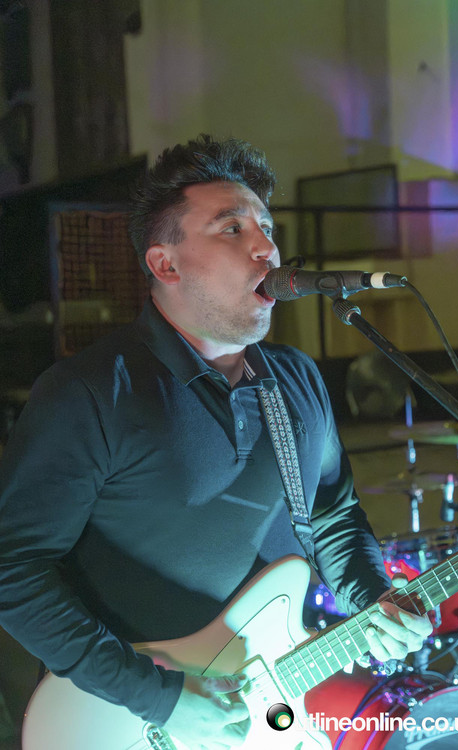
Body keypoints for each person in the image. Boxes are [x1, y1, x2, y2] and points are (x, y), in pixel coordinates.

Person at [0, 134, 431, 749]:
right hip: (129, 721)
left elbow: (332, 515)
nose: (265, 247)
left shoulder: (297, 380)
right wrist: (157, 696)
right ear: (165, 265)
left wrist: (373, 599)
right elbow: (13, 569)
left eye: (266, 227)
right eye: (232, 228)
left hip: (265, 711)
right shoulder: (89, 392)